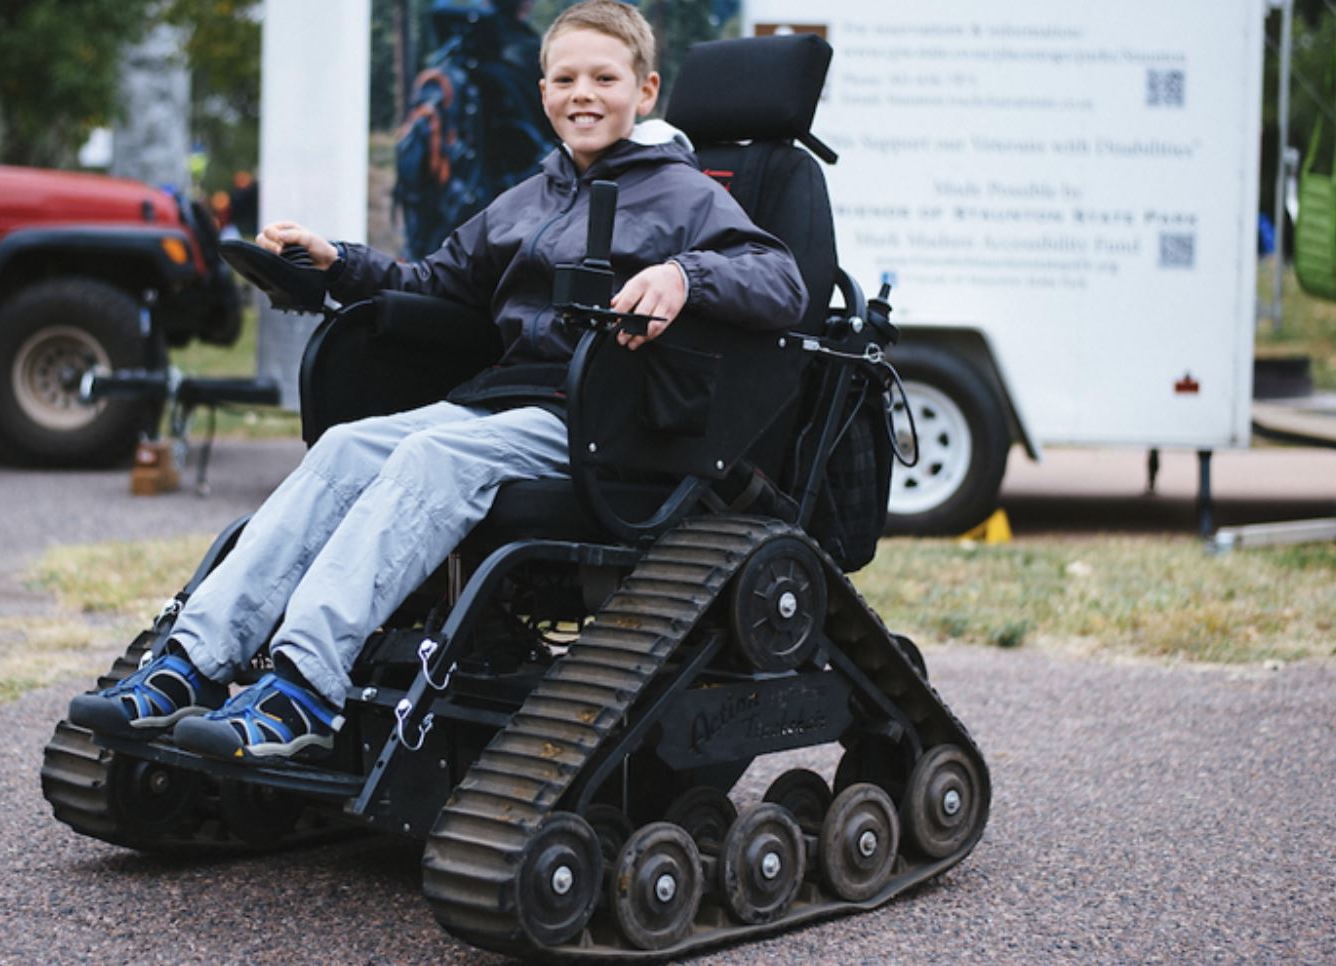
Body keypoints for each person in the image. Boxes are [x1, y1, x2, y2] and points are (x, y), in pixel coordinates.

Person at [67, 0, 807, 765]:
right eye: (565, 78)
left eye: (604, 77)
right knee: (349, 447)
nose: (583, 93)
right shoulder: (529, 196)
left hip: (602, 414)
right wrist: (336, 261)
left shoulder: (684, 194)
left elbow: (780, 281)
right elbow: (436, 283)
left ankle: (304, 688)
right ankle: (191, 660)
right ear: (543, 92)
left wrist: (683, 274)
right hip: (501, 400)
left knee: (432, 460)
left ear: (644, 91)